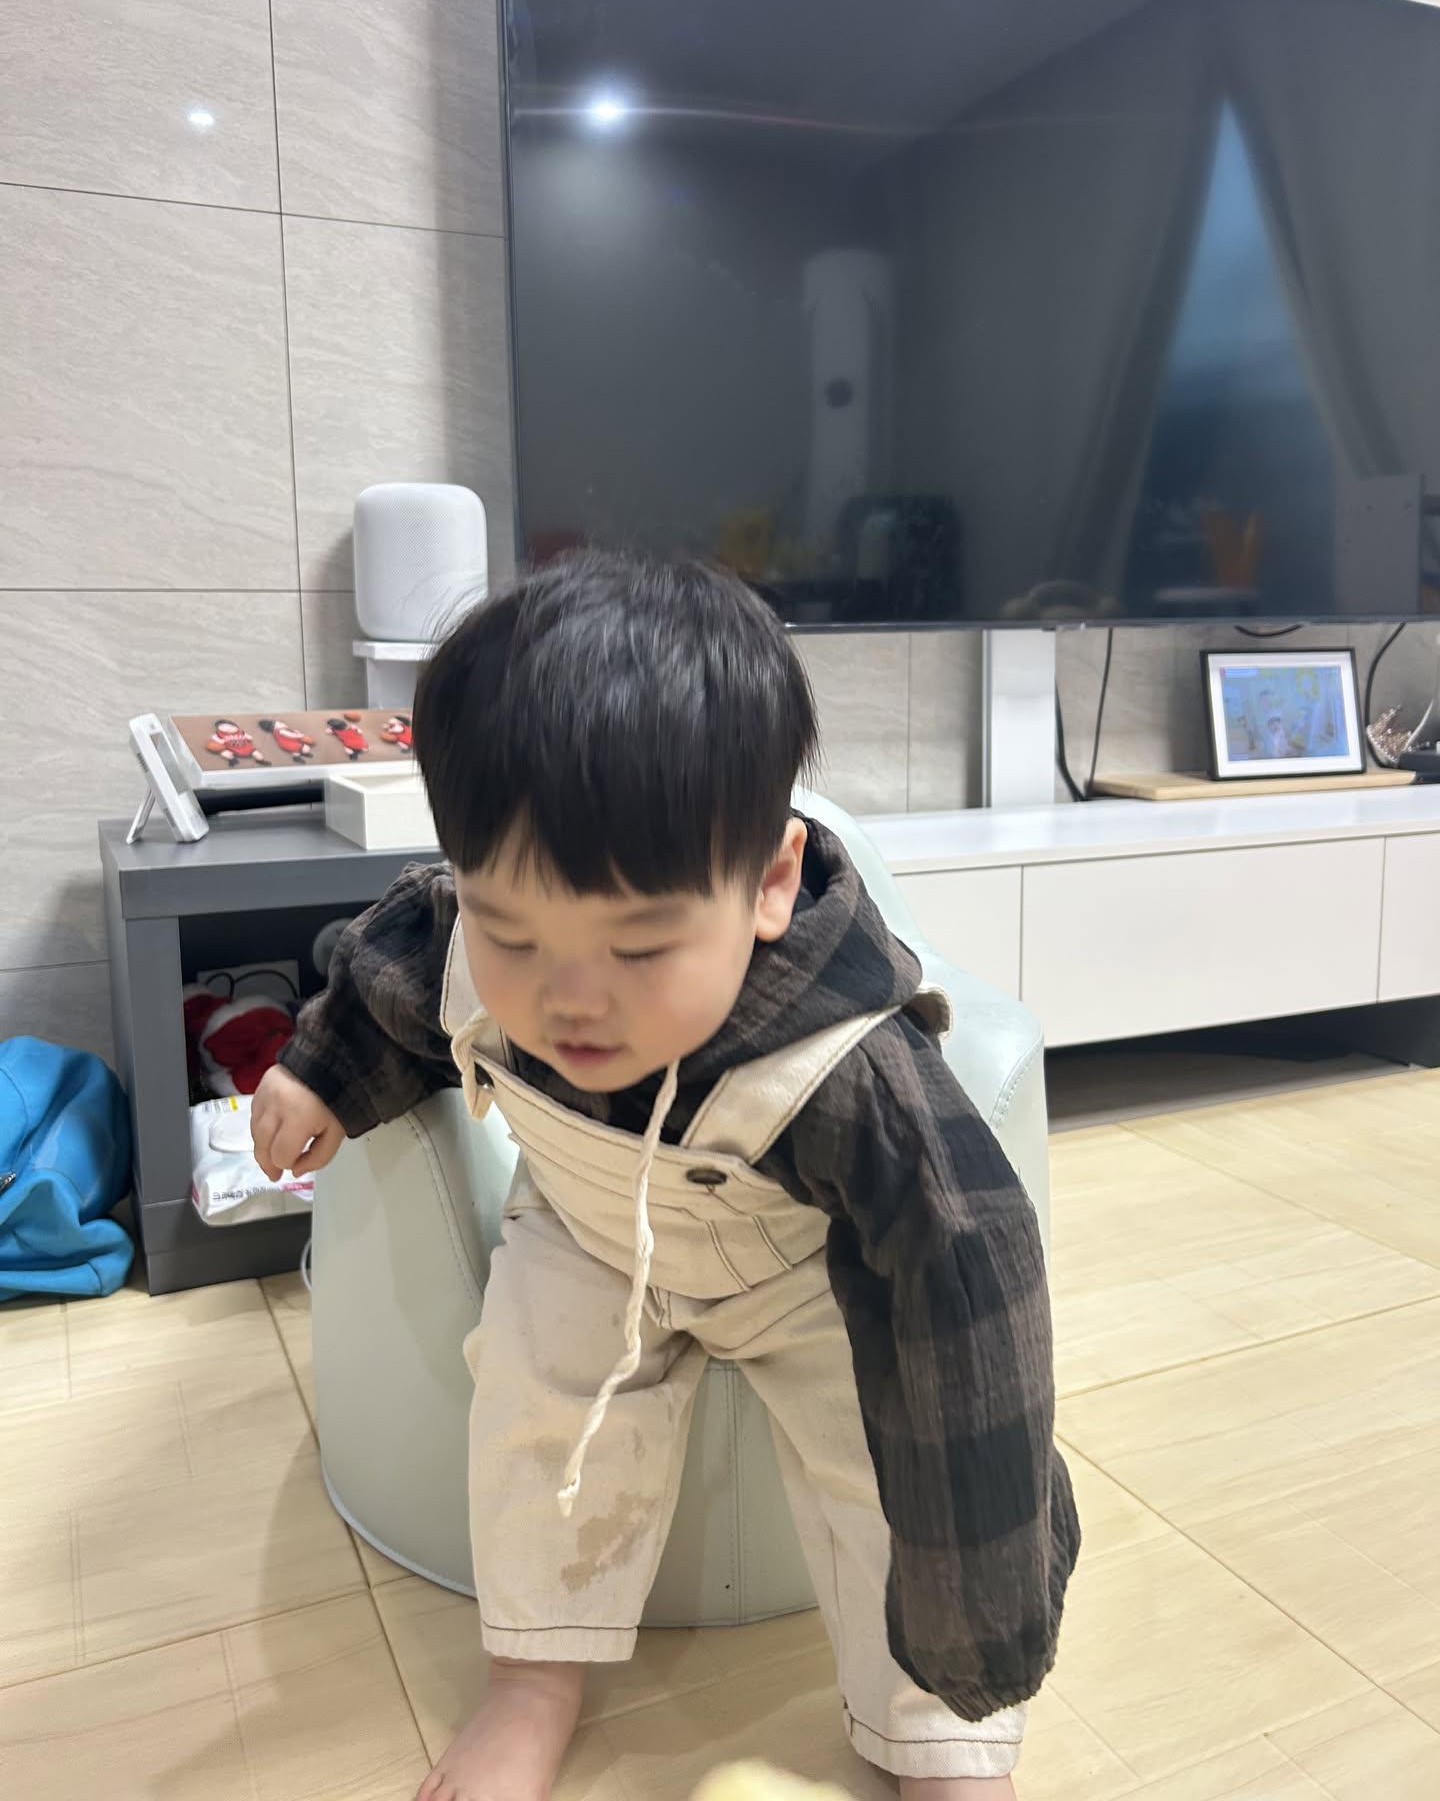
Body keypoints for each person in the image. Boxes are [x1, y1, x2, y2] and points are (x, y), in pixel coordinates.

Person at [250, 553, 1079, 1801]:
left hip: (803, 1272)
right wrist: (317, 1071)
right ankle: (532, 1681)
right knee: (530, 1398)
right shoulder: (460, 938)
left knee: (883, 1474)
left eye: (640, 946)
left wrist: (985, 1619)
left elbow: (967, 1284)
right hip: (586, 1232)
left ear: (770, 884)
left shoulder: (845, 1067)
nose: (569, 1000)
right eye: (514, 932)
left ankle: (939, 1744)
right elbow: (389, 969)